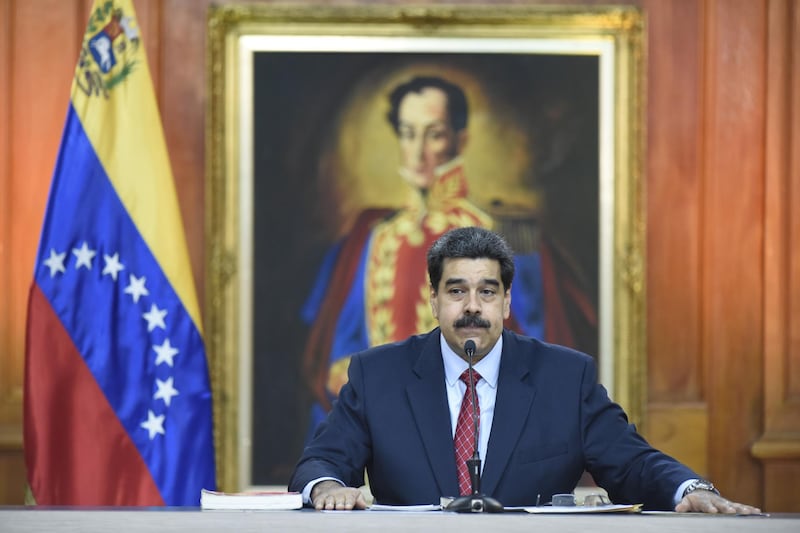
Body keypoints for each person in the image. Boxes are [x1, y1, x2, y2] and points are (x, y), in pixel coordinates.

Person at [289, 226, 761, 514]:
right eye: (456, 292)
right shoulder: (379, 375)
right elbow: (320, 461)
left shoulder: (564, 377)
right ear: (432, 300)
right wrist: (328, 485)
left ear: (507, 301)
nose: (472, 307)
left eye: (487, 292)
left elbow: (632, 461)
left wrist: (690, 487)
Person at [301, 75, 596, 434]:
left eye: (434, 134)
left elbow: (536, 353)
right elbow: (340, 355)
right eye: (408, 133)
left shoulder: (506, 234)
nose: (418, 150)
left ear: (460, 139)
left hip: (480, 428)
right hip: (382, 430)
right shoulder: (373, 237)